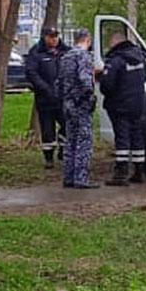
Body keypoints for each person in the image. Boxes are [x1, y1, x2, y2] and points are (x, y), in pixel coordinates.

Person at [99, 29, 146, 186]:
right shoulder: (140, 57)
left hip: (119, 105)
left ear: (115, 42)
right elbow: (145, 78)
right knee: (137, 136)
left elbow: (107, 85)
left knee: (122, 137)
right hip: (137, 103)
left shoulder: (115, 60)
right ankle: (139, 171)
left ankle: (121, 174)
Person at [56, 28, 100, 189]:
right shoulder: (84, 56)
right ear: (87, 40)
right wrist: (89, 97)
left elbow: (58, 83)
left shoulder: (65, 57)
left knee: (70, 141)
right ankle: (81, 178)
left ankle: (68, 177)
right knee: (84, 141)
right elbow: (85, 80)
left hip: (67, 103)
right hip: (80, 104)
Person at [23, 27, 69, 167]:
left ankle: (63, 149)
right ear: (44, 37)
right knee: (47, 130)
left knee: (67, 124)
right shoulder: (36, 52)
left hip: (63, 97)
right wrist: (45, 89)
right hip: (45, 98)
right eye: (51, 36)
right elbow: (32, 73)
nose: (54, 39)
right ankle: (48, 158)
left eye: (56, 36)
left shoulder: (65, 51)